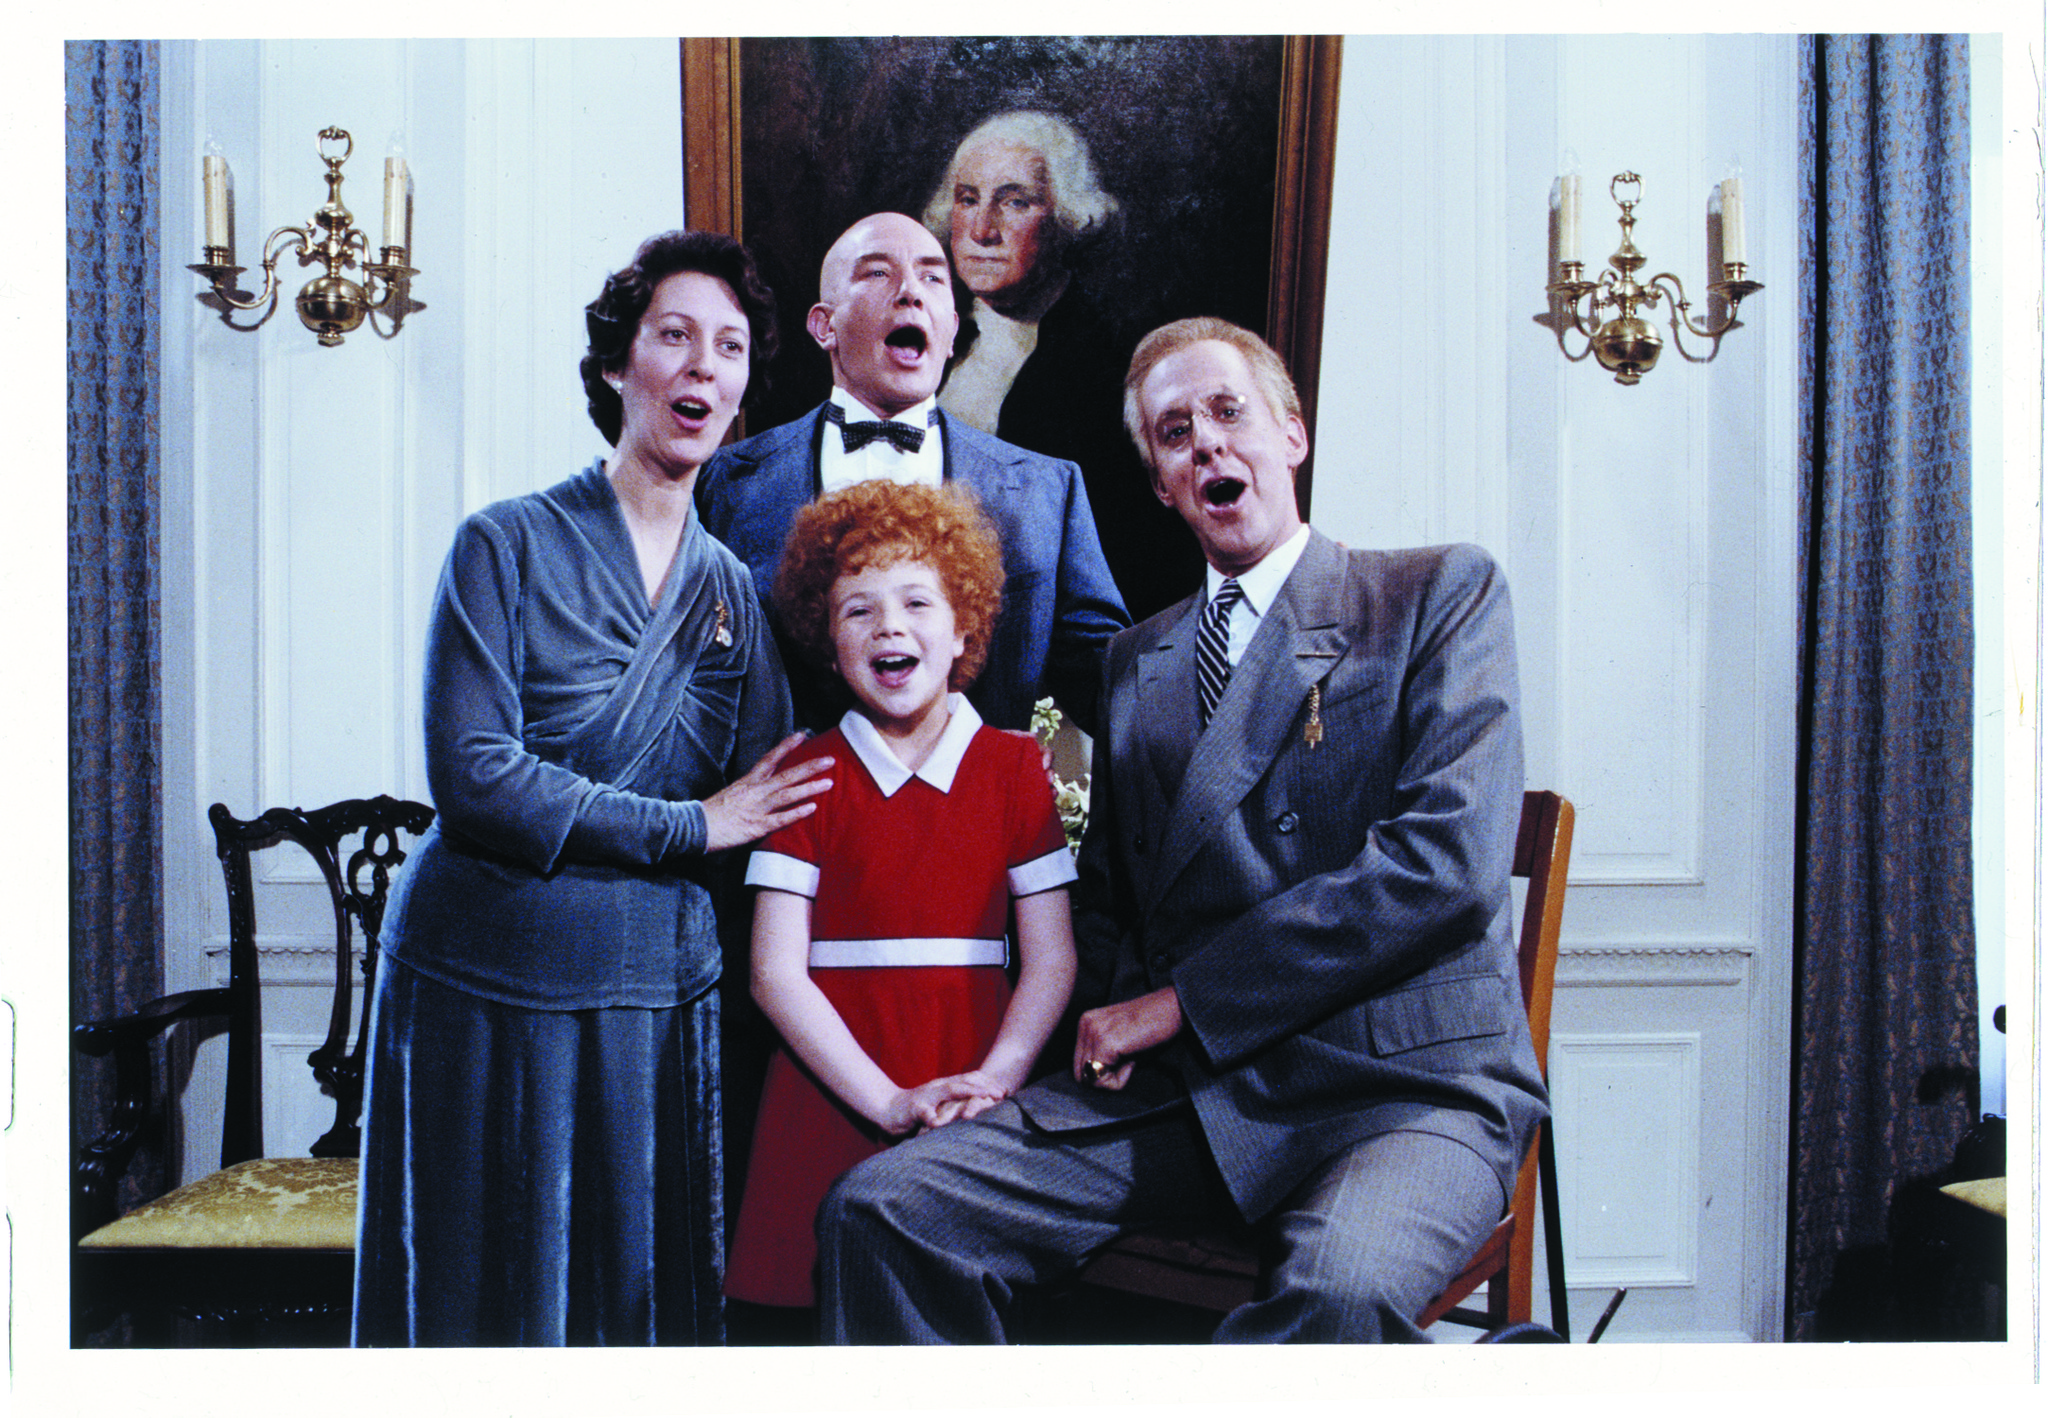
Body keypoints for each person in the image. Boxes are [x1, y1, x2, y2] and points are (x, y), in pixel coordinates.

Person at [814, 317, 1547, 1344]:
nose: (1203, 441)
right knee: (884, 1208)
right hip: (1192, 1099)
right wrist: (1020, 1067)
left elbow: (1445, 869)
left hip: (1403, 1092)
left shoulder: (1431, 594)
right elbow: (1112, 904)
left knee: (1336, 1294)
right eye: (1171, 431)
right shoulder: (1135, 661)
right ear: (1160, 483)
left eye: (1226, 412)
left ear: (1290, 433)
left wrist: (1176, 1006)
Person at [352, 231, 834, 1346]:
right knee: (482, 1299)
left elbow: (776, 792)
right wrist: (687, 823)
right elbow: (474, 776)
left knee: (627, 1311)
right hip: (484, 976)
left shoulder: (731, 593)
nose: (702, 368)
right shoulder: (503, 543)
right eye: (673, 336)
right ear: (619, 366)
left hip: (648, 1001)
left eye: (727, 347)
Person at [723, 478, 1077, 1338]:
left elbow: (1053, 958)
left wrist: (997, 1080)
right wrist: (883, 1101)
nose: (889, 626)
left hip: (976, 1091)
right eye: (857, 611)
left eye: (918, 601)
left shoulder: (1016, 766)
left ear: (964, 628)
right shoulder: (805, 774)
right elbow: (774, 973)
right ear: (828, 642)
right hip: (827, 1093)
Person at [694, 211, 1128, 737]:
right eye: (877, 273)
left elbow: (1119, 694)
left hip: (976, 813)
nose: (909, 292)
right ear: (823, 326)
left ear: (950, 332)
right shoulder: (724, 483)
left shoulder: (1046, 492)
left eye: (932, 277)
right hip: (793, 816)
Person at [920, 112, 1199, 625]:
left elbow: (1139, 569)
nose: (982, 230)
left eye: (1015, 202)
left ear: (1066, 218)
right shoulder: (927, 345)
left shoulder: (1112, 367)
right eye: (967, 199)